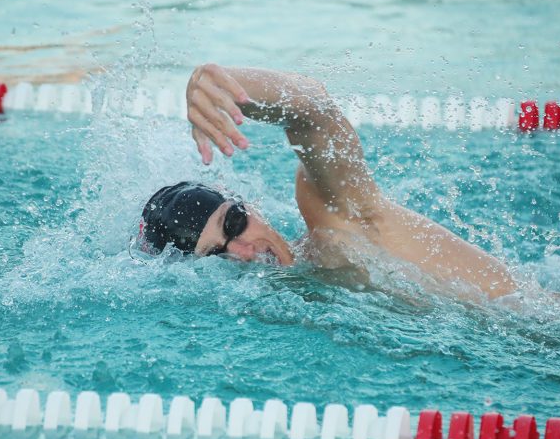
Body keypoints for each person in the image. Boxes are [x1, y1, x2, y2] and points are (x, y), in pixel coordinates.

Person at [139, 63, 518, 301]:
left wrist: (222, 82)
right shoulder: (301, 295)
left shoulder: (339, 225)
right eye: (217, 254)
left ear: (247, 203)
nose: (245, 250)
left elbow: (314, 111)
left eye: (235, 223)